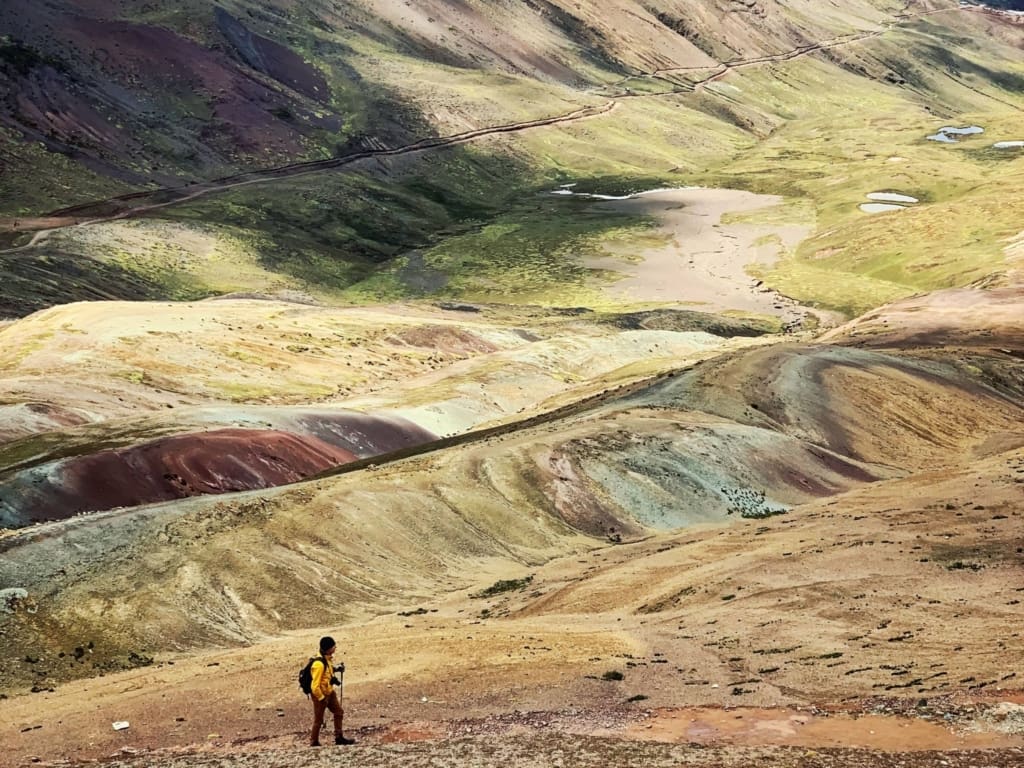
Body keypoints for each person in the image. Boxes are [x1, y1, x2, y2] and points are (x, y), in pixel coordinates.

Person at [309, 636, 354, 746]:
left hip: (329, 692)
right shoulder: (319, 664)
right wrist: (321, 698)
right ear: (329, 649)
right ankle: (314, 741)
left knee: (339, 712)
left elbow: (328, 671)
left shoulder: (326, 659)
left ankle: (339, 737)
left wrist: (337, 669)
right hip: (321, 695)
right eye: (334, 646)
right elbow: (314, 686)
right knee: (318, 720)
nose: (335, 648)